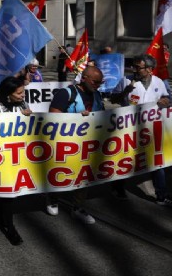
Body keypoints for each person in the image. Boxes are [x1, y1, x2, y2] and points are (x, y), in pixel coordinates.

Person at [110, 55, 172, 206]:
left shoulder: (158, 82)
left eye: (138, 67)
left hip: (150, 128)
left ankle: (162, 195)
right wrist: (126, 91)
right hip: (129, 128)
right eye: (134, 66)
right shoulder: (126, 80)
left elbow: (166, 98)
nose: (134, 70)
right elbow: (113, 100)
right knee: (125, 160)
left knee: (156, 161)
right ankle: (118, 187)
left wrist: (164, 101)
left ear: (149, 70)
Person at [46, 66, 106, 224]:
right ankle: (53, 198)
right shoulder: (66, 93)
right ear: (84, 78)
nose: (97, 85)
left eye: (100, 83)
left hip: (88, 143)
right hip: (66, 143)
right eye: (95, 82)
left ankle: (77, 207)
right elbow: (53, 115)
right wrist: (76, 118)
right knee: (60, 172)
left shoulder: (98, 95)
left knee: (84, 175)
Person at [0, 76, 31, 246]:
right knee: (7, 192)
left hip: (15, 154)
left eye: (23, 91)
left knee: (9, 191)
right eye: (19, 93)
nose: (23, 95)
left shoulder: (22, 105)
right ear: (8, 94)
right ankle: (9, 227)